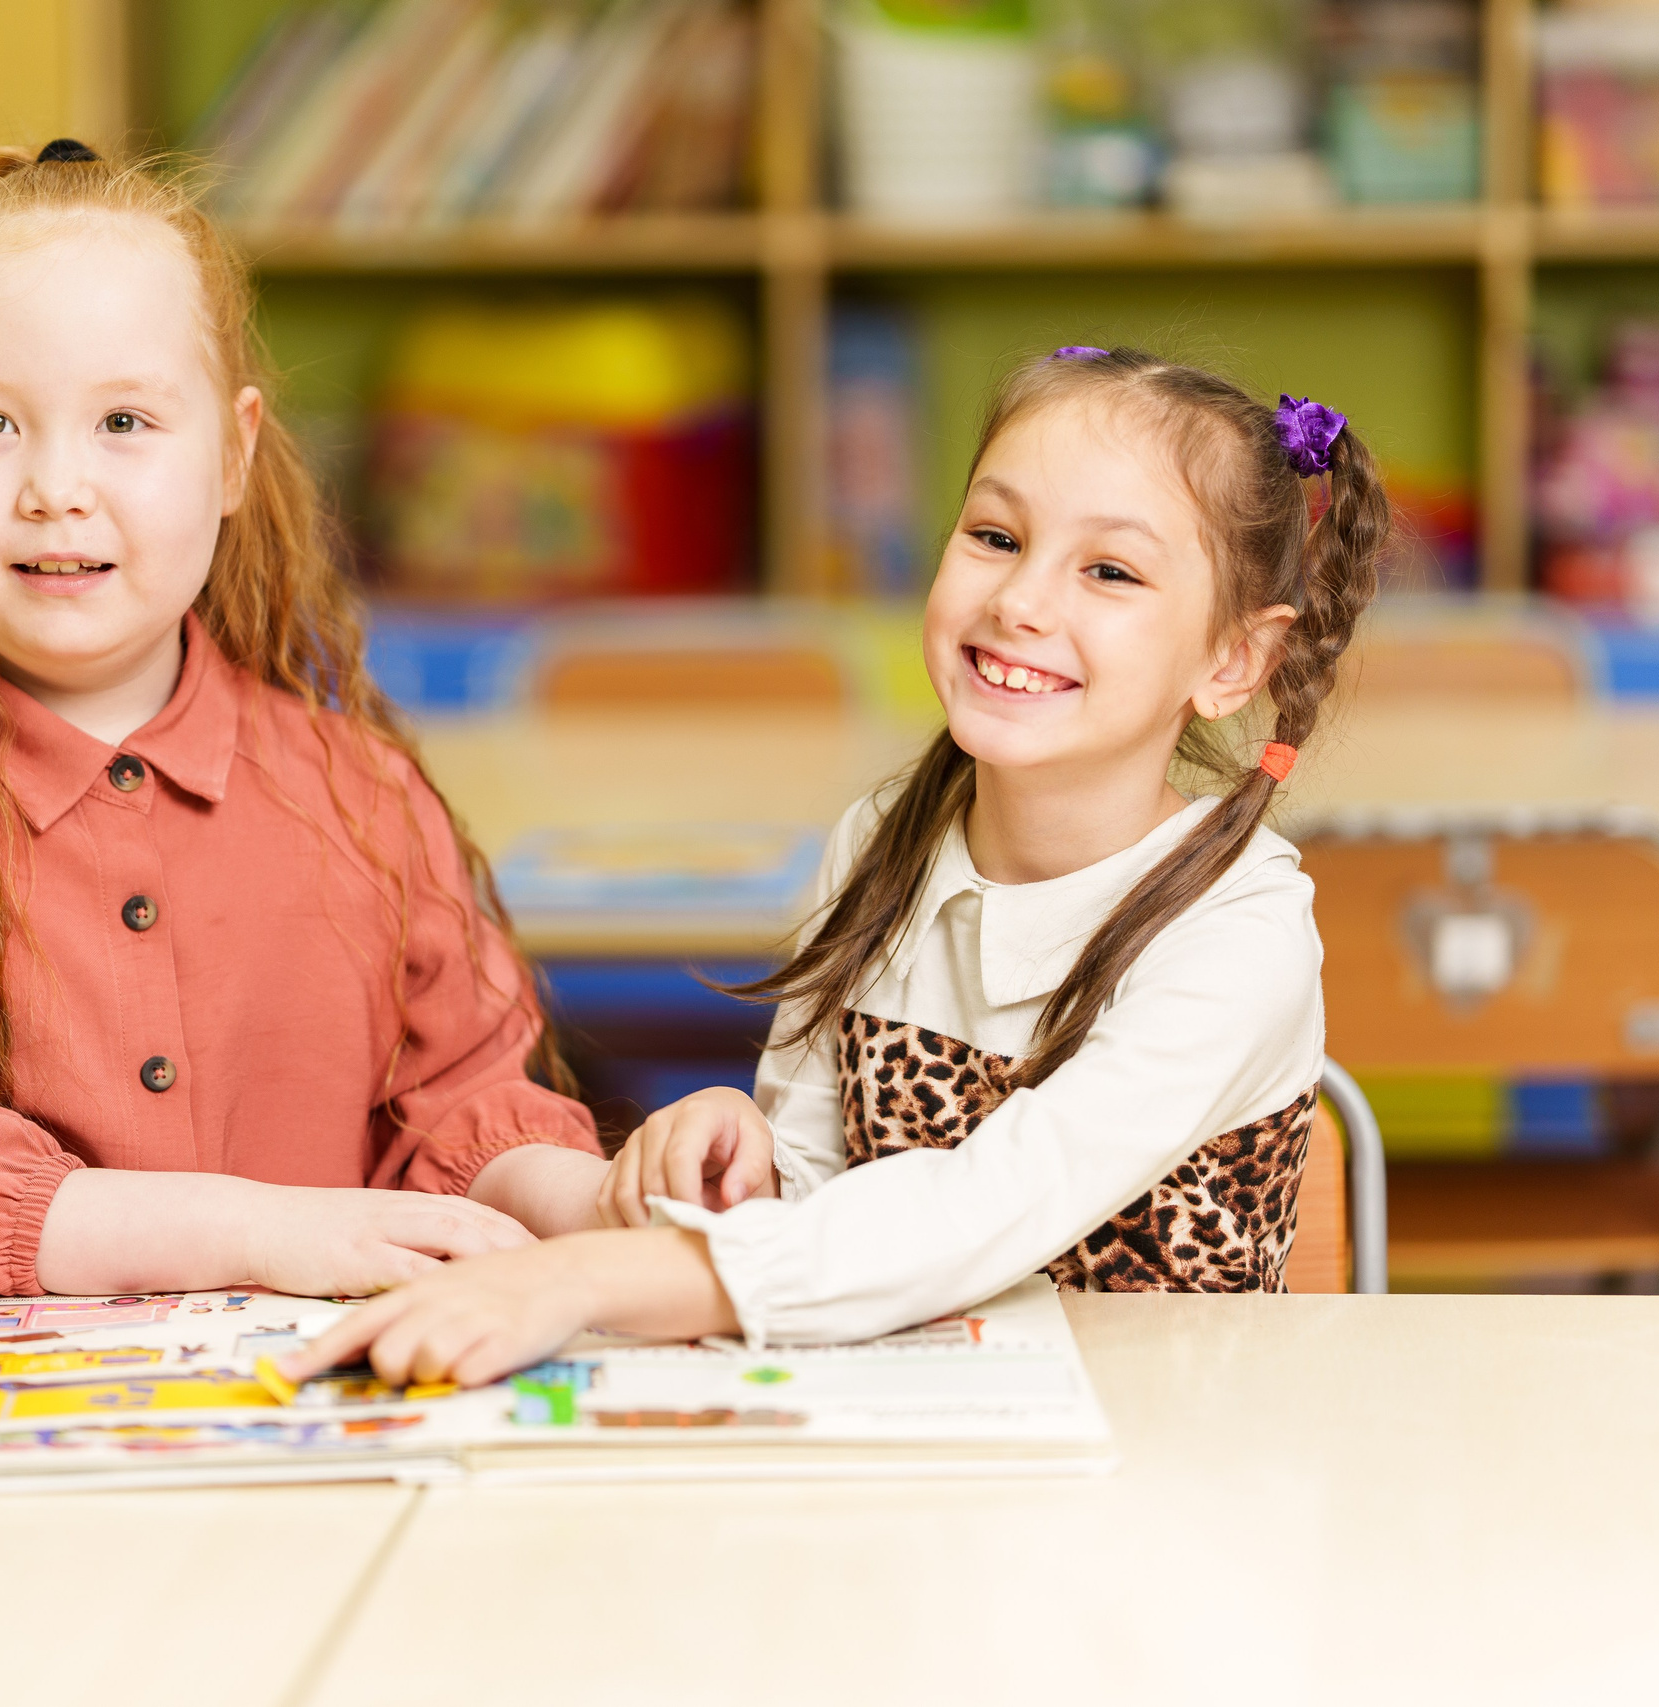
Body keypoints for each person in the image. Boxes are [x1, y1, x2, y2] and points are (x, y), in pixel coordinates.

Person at [286, 345, 1386, 1387]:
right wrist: (744, 1152)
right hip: (921, 1436)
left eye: (1108, 570)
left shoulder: (1237, 932)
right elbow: (820, 1206)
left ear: (1233, 659)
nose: (1021, 602)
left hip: (1170, 1478)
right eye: (996, 538)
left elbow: (978, 1207)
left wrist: (579, 1275)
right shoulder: (879, 844)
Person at [0, 142, 608, 1305]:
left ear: (232, 452)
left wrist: (610, 1202)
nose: (55, 486)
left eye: (123, 421)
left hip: (317, 1451)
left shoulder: (362, 796)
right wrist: (259, 1233)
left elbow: (467, 1120)